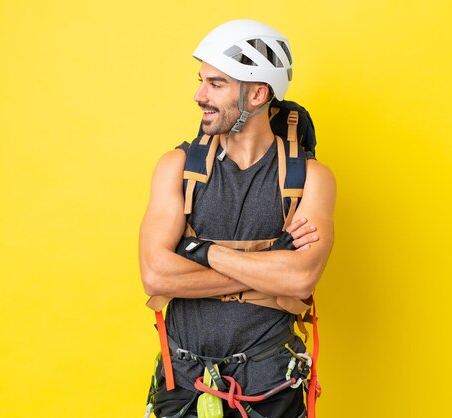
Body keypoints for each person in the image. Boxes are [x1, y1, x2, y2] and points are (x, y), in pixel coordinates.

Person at [139, 19, 336, 418]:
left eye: (216, 84)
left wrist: (199, 250)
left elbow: (300, 279)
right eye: (202, 81)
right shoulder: (176, 167)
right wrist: (269, 265)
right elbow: (156, 276)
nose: (199, 95)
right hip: (184, 382)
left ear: (257, 93)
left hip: (272, 384)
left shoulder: (310, 179)